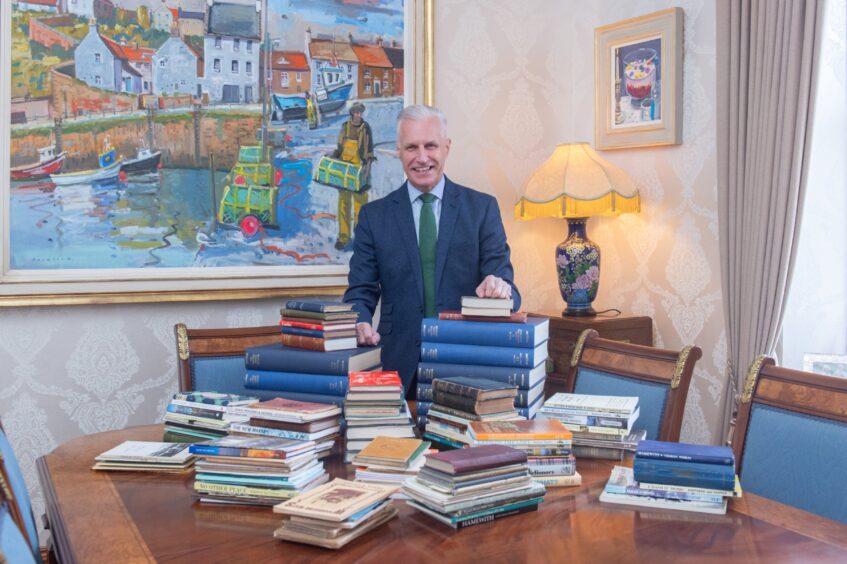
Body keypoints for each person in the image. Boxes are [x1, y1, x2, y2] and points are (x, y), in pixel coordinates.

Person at [343, 104, 520, 394]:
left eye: (431, 146)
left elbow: (509, 288)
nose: (422, 158)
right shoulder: (374, 216)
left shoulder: (482, 209)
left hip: (468, 365)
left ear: (447, 147)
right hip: (397, 367)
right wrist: (360, 320)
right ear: (399, 150)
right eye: (411, 147)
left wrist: (500, 287)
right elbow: (360, 291)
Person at [332, 102, 374, 250]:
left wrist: (367, 169)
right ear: (352, 113)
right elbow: (339, 148)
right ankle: (343, 237)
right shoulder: (345, 127)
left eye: (360, 112)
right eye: (356, 112)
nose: (358, 115)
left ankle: (361, 239)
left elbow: (369, 151)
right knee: (343, 203)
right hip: (344, 170)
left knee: (360, 206)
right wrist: (332, 157)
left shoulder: (365, 128)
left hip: (359, 169)